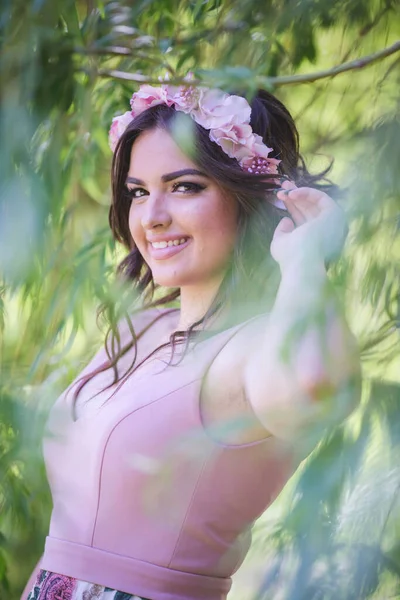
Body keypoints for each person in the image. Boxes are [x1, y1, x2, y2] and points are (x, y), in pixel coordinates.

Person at [22, 79, 360, 600]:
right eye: (138, 192)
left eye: (184, 186)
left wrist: (305, 260)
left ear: (247, 196)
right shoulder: (138, 330)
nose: (152, 217)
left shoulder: (254, 348)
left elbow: (314, 393)